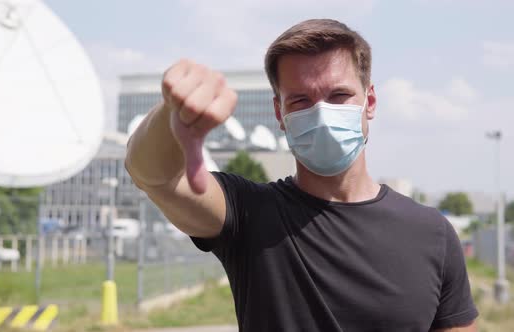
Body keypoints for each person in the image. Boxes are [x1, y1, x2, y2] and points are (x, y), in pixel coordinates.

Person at [125, 19, 478, 332]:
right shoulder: (249, 214)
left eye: (339, 95)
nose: (322, 114)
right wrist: (173, 110)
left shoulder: (433, 234)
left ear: (369, 102)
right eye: (300, 101)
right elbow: (150, 173)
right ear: (279, 113)